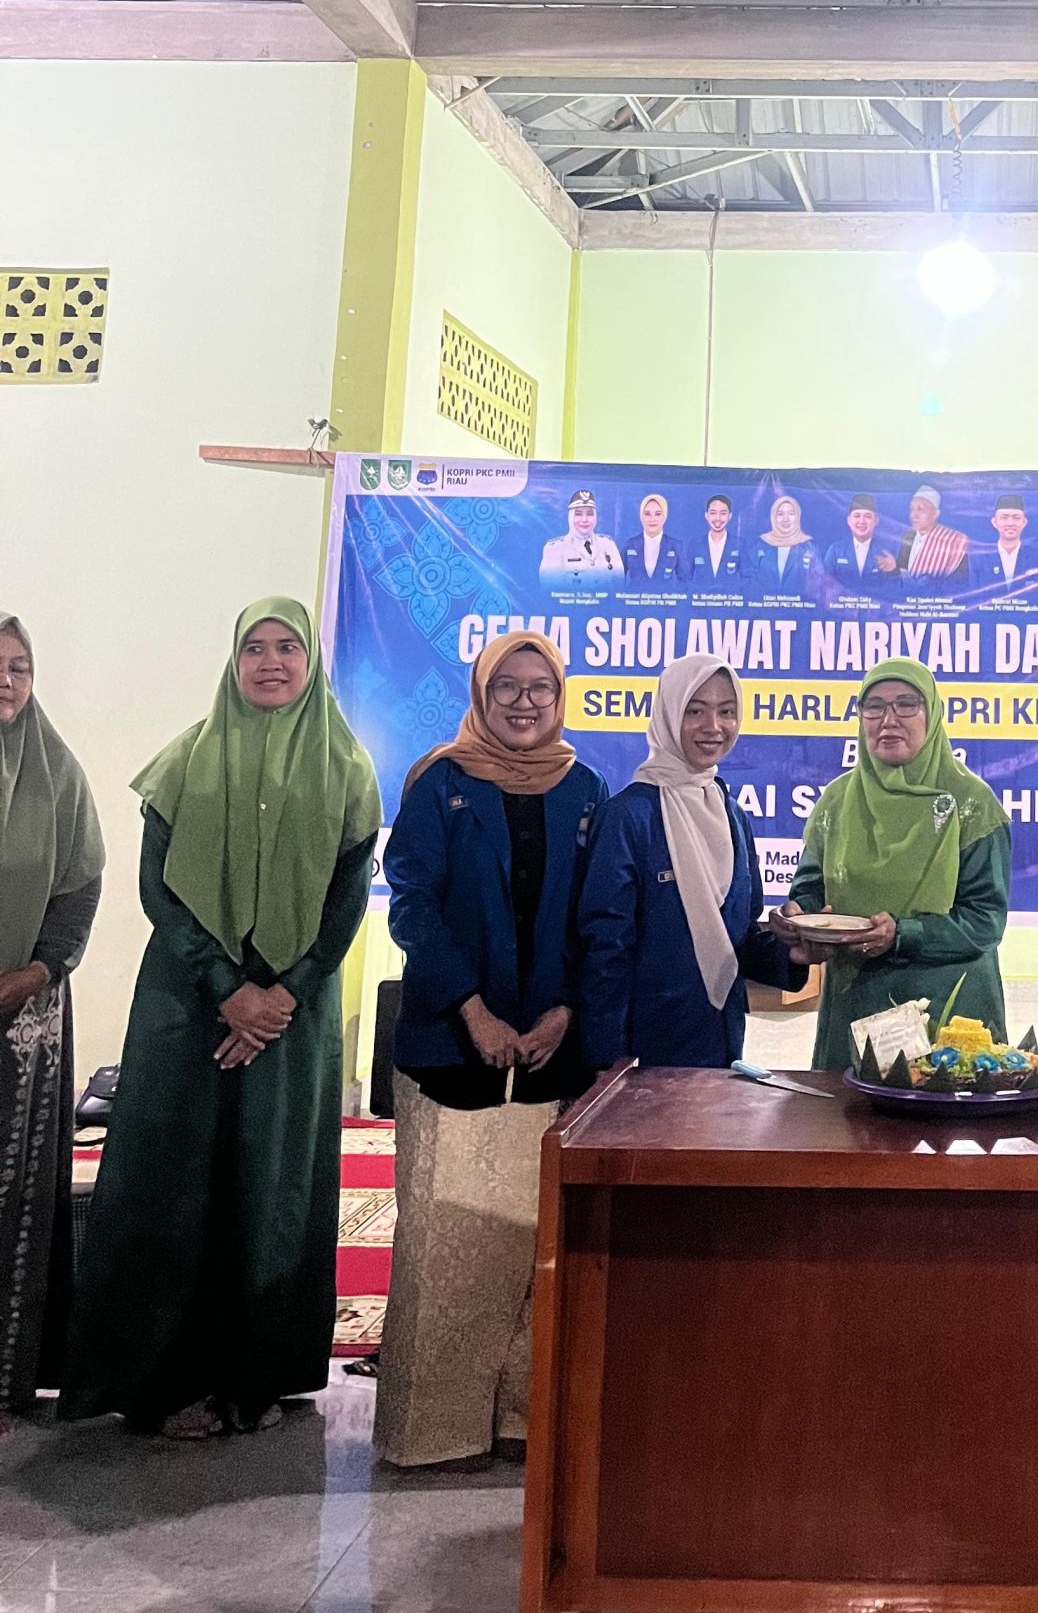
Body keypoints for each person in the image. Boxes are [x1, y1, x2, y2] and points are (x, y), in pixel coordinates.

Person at [62, 599, 381, 1440]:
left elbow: (347, 899)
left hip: (293, 1016)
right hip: (186, 1006)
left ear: (311, 661)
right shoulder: (186, 761)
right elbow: (158, 888)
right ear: (233, 662)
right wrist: (226, 987)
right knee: (173, 1180)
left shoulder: (348, 769)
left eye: (288, 647)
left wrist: (284, 993)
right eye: (255, 648)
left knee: (271, 1188)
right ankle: (162, 1384)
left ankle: (256, 1379)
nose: (271, 662)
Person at [374, 632, 606, 1470]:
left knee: (534, 1244)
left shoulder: (585, 789)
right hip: (450, 1043)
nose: (524, 702)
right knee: (443, 1239)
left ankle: (520, 1421)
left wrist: (565, 1014)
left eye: (541, 687)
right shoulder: (440, 780)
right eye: (506, 685)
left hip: (550, 1052)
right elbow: (412, 905)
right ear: (480, 692)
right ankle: (432, 1433)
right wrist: (471, 1010)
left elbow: (596, 918)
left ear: (560, 696)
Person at [775, 661, 1009, 1072]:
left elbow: (984, 920)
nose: (889, 719)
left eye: (906, 704)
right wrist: (800, 917)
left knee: (943, 1109)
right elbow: (811, 888)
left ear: (931, 714)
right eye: (874, 706)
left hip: (949, 1014)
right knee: (849, 1112)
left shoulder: (972, 804)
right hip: (857, 1003)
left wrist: (902, 934)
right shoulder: (837, 802)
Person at [578, 656, 803, 1070]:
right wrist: (606, 1066)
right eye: (695, 711)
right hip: (641, 1054)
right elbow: (605, 953)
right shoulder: (628, 817)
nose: (713, 726)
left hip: (721, 1048)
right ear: (668, 714)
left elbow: (739, 939)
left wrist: (794, 953)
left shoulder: (732, 815)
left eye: (726, 711)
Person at [0, 613, 104, 1427]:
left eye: (19, 667)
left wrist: (35, 972)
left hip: (22, 1015)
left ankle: (5, 1381)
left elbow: (79, 888)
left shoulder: (57, 773)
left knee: (13, 1201)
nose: (6, 681)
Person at [895, 485, 970, 590]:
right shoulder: (907, 537)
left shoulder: (953, 542)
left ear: (935, 514)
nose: (913, 515)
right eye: (911, 509)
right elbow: (900, 576)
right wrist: (892, 569)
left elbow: (960, 584)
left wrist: (931, 583)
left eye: (920, 509)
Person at [539, 490, 623, 582]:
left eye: (590, 514)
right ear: (570, 517)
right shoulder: (555, 549)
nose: (584, 519)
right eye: (578, 514)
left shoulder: (608, 545)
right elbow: (551, 587)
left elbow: (619, 582)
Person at [822, 495, 892, 601]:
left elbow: (894, 591)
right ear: (849, 521)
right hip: (841, 608)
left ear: (876, 521)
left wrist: (893, 570)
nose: (862, 521)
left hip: (875, 609)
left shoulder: (886, 552)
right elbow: (824, 585)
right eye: (857, 516)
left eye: (868, 516)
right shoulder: (836, 550)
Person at [752, 492, 817, 593]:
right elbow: (749, 577)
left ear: (798, 516)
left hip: (800, 602)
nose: (786, 519)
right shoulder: (761, 544)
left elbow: (817, 581)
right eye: (780, 514)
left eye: (791, 513)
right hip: (765, 601)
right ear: (773, 517)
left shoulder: (809, 545)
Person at [620, 494, 684, 587]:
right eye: (647, 514)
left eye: (658, 514)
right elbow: (618, 579)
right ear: (641, 517)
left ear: (664, 516)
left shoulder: (676, 546)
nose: (652, 519)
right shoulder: (629, 545)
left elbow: (685, 581)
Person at [986, 493, 1037, 595]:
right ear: (994, 522)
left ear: (1024, 522)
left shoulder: (1036, 557)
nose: (1010, 523)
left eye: (1016, 518)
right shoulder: (980, 559)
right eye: (1004, 518)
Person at [689, 492, 743, 587]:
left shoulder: (739, 544)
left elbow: (748, 577)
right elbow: (685, 578)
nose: (718, 518)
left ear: (730, 516)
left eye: (723, 513)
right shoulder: (695, 545)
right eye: (713, 513)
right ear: (706, 515)